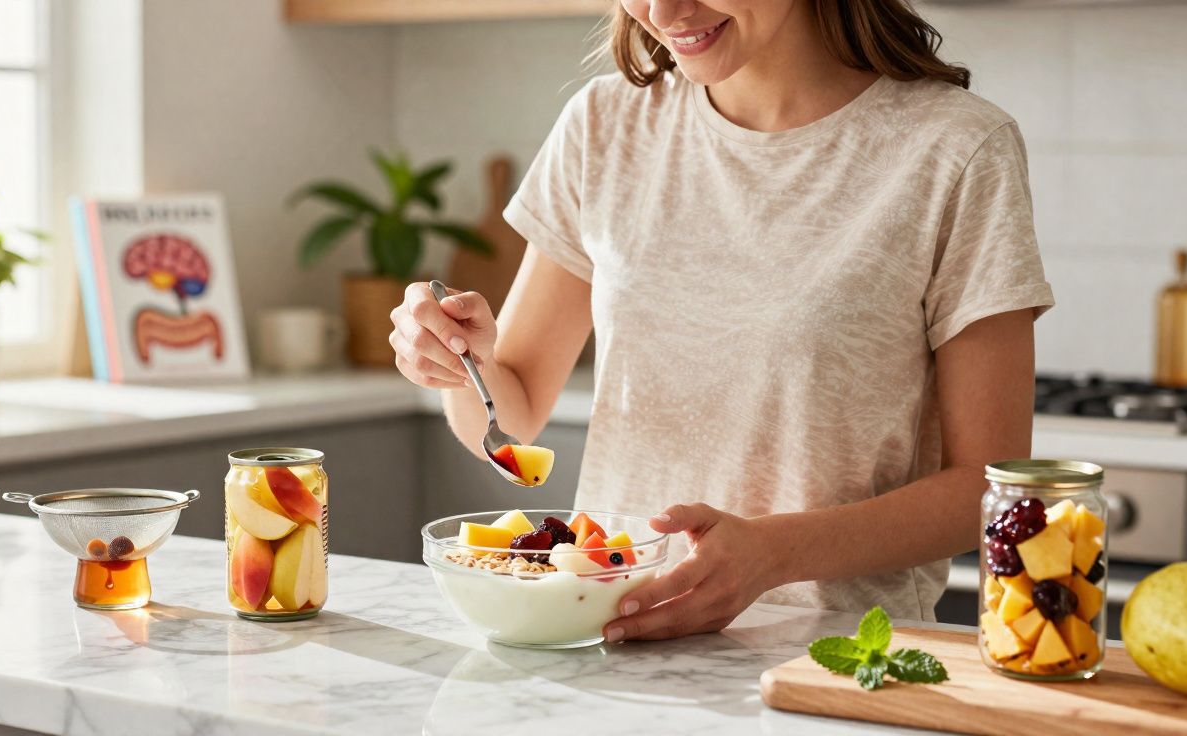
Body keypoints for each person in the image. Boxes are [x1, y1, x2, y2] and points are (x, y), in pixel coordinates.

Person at [389, 0, 1053, 642]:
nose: (663, 12)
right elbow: (513, 412)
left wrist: (773, 554)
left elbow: (989, 488)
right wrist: (455, 362)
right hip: (607, 642)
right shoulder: (604, 124)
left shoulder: (957, 148)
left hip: (835, 665)